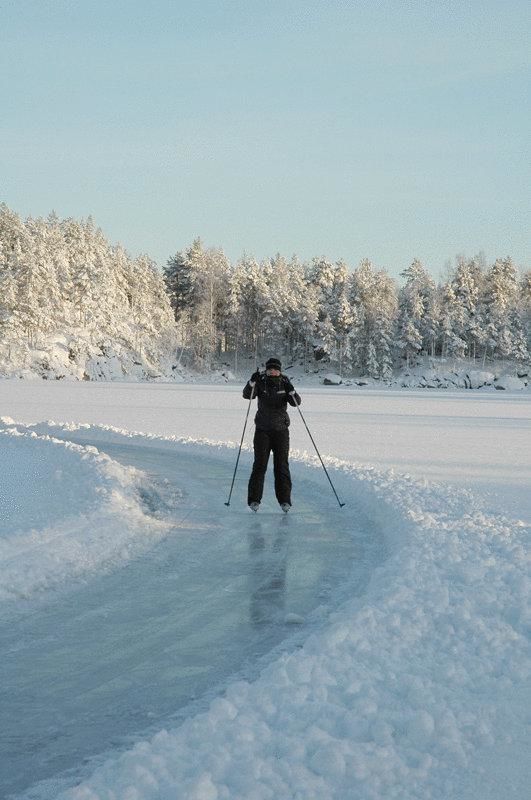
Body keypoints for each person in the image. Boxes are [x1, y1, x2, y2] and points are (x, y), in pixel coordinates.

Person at [243, 357, 301, 513]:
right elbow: (247, 395)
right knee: (260, 465)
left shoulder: (284, 381)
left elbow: (296, 403)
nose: (272, 372)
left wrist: (291, 389)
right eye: (270, 369)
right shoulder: (261, 380)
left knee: (281, 466)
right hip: (262, 431)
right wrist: (251, 382)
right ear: (266, 370)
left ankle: (285, 501)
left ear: (280, 370)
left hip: (281, 431)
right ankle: (254, 500)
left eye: (275, 369)